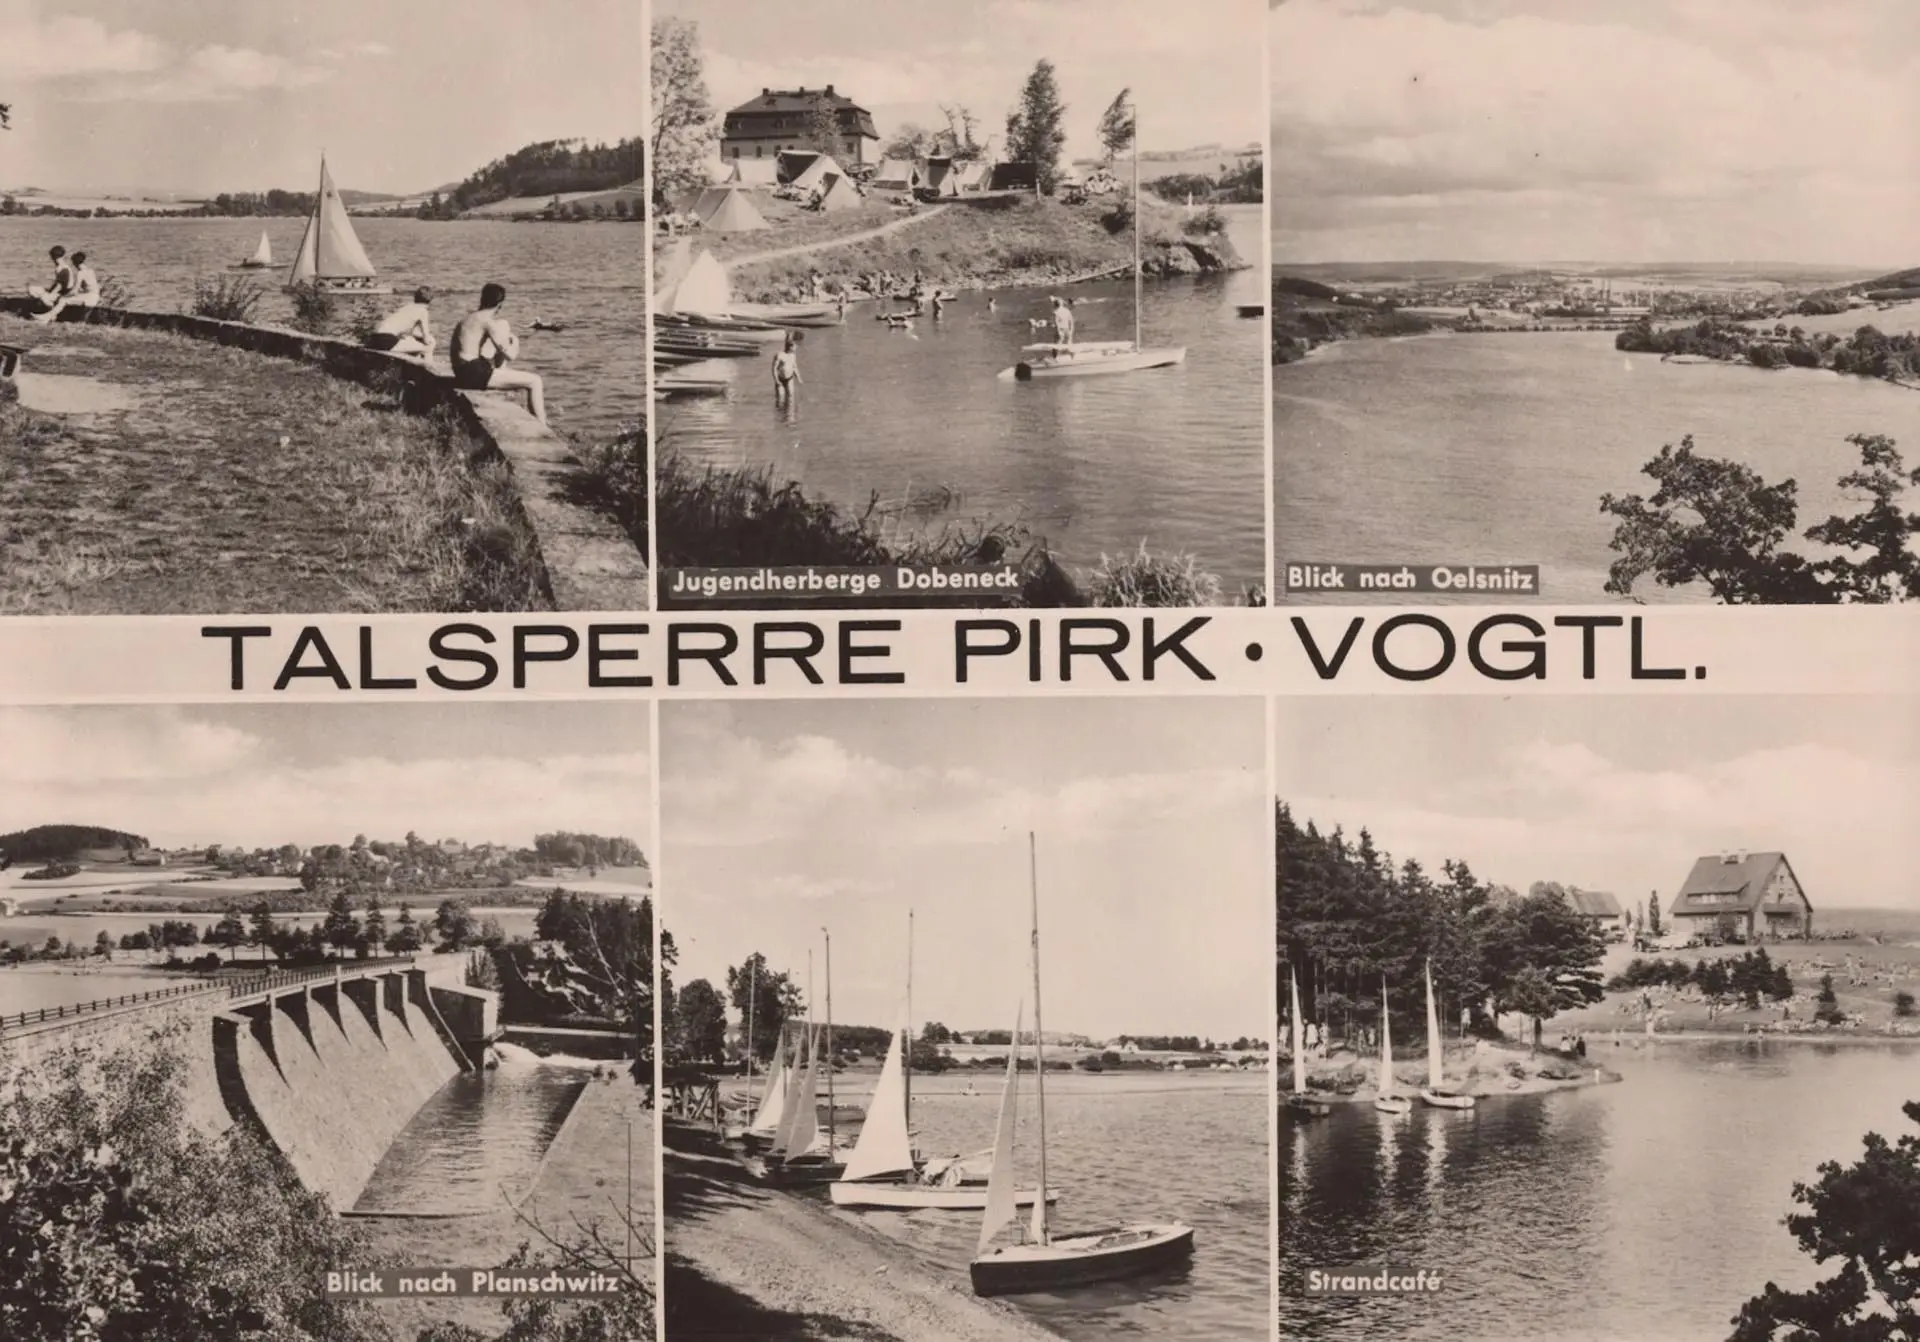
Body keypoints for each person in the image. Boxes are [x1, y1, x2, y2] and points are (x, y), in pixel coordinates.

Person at [449, 282, 545, 424]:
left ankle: (501, 372)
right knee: (535, 381)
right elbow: (510, 355)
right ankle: (543, 426)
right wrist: (515, 341)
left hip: (461, 370)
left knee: (503, 324)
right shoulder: (488, 322)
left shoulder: (469, 318)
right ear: (500, 304)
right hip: (473, 374)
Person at [366, 287, 435, 358]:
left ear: (415, 297)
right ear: (430, 300)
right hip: (386, 340)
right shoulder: (423, 311)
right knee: (427, 348)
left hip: (373, 339)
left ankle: (413, 365)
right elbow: (426, 339)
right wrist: (430, 341)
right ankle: (429, 367)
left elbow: (412, 332)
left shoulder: (406, 307)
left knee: (412, 345)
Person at [27, 246, 75, 322]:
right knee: (32, 288)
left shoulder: (64, 269)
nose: (54, 260)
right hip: (59, 291)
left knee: (44, 297)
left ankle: (51, 313)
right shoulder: (61, 267)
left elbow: (60, 286)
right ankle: (47, 308)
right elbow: (57, 284)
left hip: (63, 293)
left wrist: (49, 294)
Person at [771, 330, 801, 408]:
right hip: (780, 379)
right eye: (794, 347)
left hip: (790, 378)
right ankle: (780, 415)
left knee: (791, 397)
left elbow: (794, 367)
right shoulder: (779, 355)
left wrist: (798, 378)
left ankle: (790, 412)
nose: (796, 348)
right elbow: (774, 369)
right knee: (780, 399)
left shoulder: (793, 356)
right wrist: (776, 380)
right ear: (790, 347)